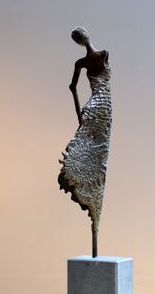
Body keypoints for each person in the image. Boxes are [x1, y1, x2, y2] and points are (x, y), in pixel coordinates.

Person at [58, 27, 112, 257]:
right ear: (87, 37)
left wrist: (79, 113)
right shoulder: (104, 54)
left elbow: (72, 87)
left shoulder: (81, 61)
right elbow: (76, 87)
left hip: (92, 108)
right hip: (104, 107)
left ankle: (93, 206)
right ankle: (94, 210)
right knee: (100, 156)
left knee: (98, 156)